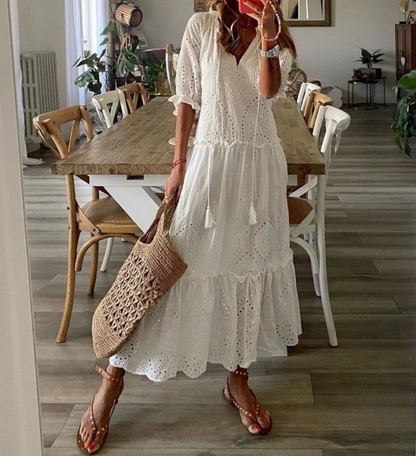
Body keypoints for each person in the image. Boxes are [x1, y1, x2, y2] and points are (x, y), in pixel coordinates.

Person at [77, 0, 300, 453]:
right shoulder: (201, 26)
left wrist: (269, 41)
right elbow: (187, 102)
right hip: (210, 163)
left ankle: (238, 380)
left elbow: (267, 91)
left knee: (248, 270)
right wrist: (179, 164)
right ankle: (113, 378)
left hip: (259, 167)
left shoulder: (277, 31)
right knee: (167, 269)